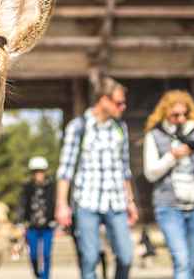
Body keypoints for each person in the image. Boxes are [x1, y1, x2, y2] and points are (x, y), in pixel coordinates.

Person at [55, 77, 138, 279]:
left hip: (116, 202)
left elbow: (124, 168)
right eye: (119, 102)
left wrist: (131, 201)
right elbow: (65, 169)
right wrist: (61, 205)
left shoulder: (120, 129)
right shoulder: (78, 127)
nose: (123, 107)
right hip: (87, 202)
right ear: (103, 100)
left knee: (126, 256)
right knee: (89, 259)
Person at [143, 90, 194, 279]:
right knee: (182, 260)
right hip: (169, 206)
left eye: (184, 114)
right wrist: (172, 156)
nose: (180, 119)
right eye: (175, 115)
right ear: (165, 114)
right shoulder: (155, 135)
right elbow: (150, 173)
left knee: (192, 262)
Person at [18, 156, 57, 279]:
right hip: (32, 227)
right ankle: (37, 274)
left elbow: (55, 203)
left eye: (41, 171)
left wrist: (56, 220)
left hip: (48, 226)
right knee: (33, 254)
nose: (38, 174)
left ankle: (45, 277)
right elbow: (22, 205)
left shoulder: (52, 187)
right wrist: (20, 222)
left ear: (45, 172)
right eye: (36, 172)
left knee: (46, 254)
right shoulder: (27, 187)